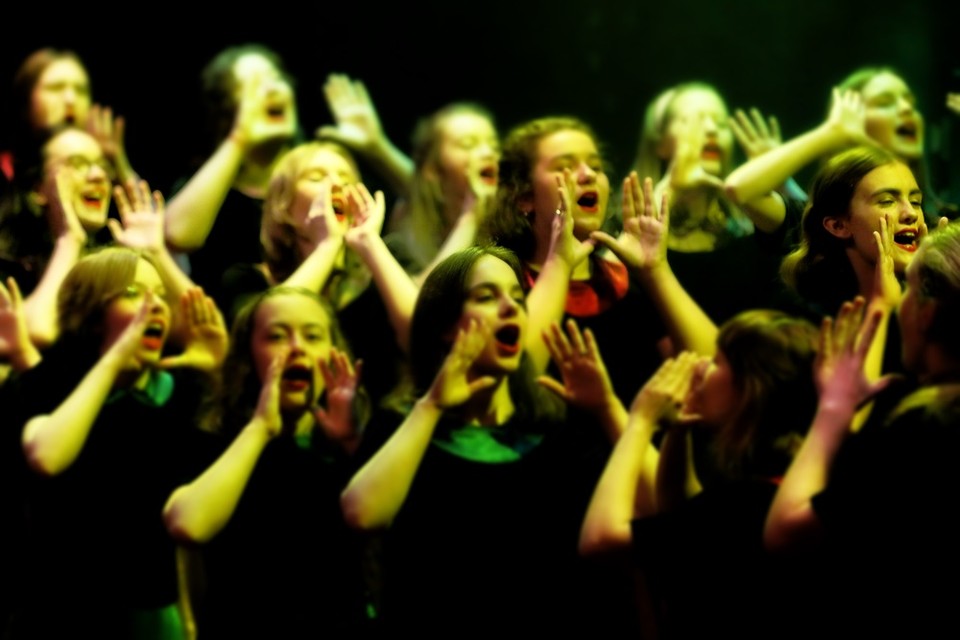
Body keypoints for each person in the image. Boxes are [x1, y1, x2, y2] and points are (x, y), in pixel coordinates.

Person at [341, 245, 630, 634]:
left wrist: (610, 408)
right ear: (445, 326)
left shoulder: (553, 427)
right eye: (486, 297)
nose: (511, 308)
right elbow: (362, 514)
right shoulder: (403, 425)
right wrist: (432, 406)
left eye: (517, 296)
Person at [8, 246, 226, 639]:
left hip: (151, 614)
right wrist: (115, 360)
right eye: (133, 293)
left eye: (160, 295)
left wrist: (213, 375)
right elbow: (47, 458)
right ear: (90, 315)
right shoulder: (47, 385)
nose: (155, 306)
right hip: (60, 611)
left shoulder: (180, 393)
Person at [764, 221, 960, 636]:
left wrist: (832, 412)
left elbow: (785, 532)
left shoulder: (926, 426)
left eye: (906, 289)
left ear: (926, 312)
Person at [578, 309, 819, 638]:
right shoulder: (782, 480)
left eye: (718, 361)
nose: (702, 366)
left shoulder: (748, 503)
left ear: (749, 390)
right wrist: (674, 429)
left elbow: (600, 541)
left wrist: (641, 422)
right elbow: (682, 512)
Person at [163, 286, 372, 638]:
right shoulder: (220, 440)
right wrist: (260, 428)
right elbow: (188, 525)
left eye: (313, 335)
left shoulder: (357, 437)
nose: (296, 348)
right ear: (249, 355)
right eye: (277, 336)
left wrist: (352, 444)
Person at [482, 115, 666, 404]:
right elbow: (512, 386)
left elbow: (711, 376)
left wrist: (657, 272)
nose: (588, 175)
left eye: (595, 166)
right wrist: (560, 264)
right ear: (524, 197)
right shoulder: (499, 282)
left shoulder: (625, 284)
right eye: (565, 167)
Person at [219, 139, 416, 407]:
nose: (335, 184)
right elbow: (273, 321)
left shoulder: (386, 266)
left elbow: (423, 338)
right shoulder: (246, 280)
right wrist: (328, 245)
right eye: (316, 176)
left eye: (345, 177)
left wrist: (369, 242)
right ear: (283, 203)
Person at [0, 126, 189, 348]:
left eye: (102, 165)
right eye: (78, 164)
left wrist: (156, 254)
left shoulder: (114, 259)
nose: (99, 176)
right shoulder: (8, 268)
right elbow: (33, 334)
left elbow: (199, 333)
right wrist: (69, 241)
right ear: (37, 189)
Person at [627, 81, 792, 323]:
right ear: (660, 144)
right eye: (692, 121)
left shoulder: (753, 228)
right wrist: (671, 187)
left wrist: (778, 177)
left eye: (721, 122)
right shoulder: (622, 223)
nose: (711, 129)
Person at [725, 66, 957, 234]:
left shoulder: (950, 220)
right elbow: (740, 189)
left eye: (910, 102)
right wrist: (830, 133)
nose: (907, 108)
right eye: (886, 103)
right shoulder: (827, 224)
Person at [164, 44, 301, 307]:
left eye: (276, 78)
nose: (272, 88)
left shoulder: (319, 169)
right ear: (227, 110)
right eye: (254, 85)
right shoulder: (202, 184)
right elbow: (178, 235)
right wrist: (239, 139)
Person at [3, 47, 139, 186]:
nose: (71, 99)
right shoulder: (5, 172)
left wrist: (121, 168)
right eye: (55, 88)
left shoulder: (98, 175)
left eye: (81, 90)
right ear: (26, 100)